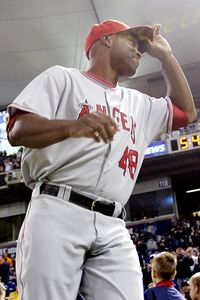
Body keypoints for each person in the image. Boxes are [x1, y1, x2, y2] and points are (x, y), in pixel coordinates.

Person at [7, 19, 196, 300]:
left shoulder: (139, 103)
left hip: (114, 224)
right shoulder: (63, 78)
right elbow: (17, 129)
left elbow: (186, 112)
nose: (139, 50)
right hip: (58, 209)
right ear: (105, 39)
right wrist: (72, 126)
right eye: (132, 41)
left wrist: (166, 56)